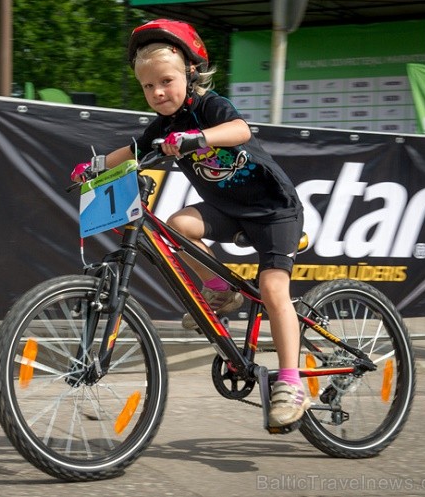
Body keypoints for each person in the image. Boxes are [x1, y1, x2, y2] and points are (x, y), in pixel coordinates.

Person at [70, 19, 308, 428]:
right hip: (228, 211)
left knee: (272, 288)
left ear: (191, 75)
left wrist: (198, 138)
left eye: (166, 81)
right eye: (148, 87)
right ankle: (221, 290)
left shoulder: (208, 106)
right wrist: (93, 167)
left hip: (274, 211)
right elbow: (132, 151)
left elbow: (240, 130)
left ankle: (291, 382)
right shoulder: (162, 125)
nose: (158, 93)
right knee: (178, 223)